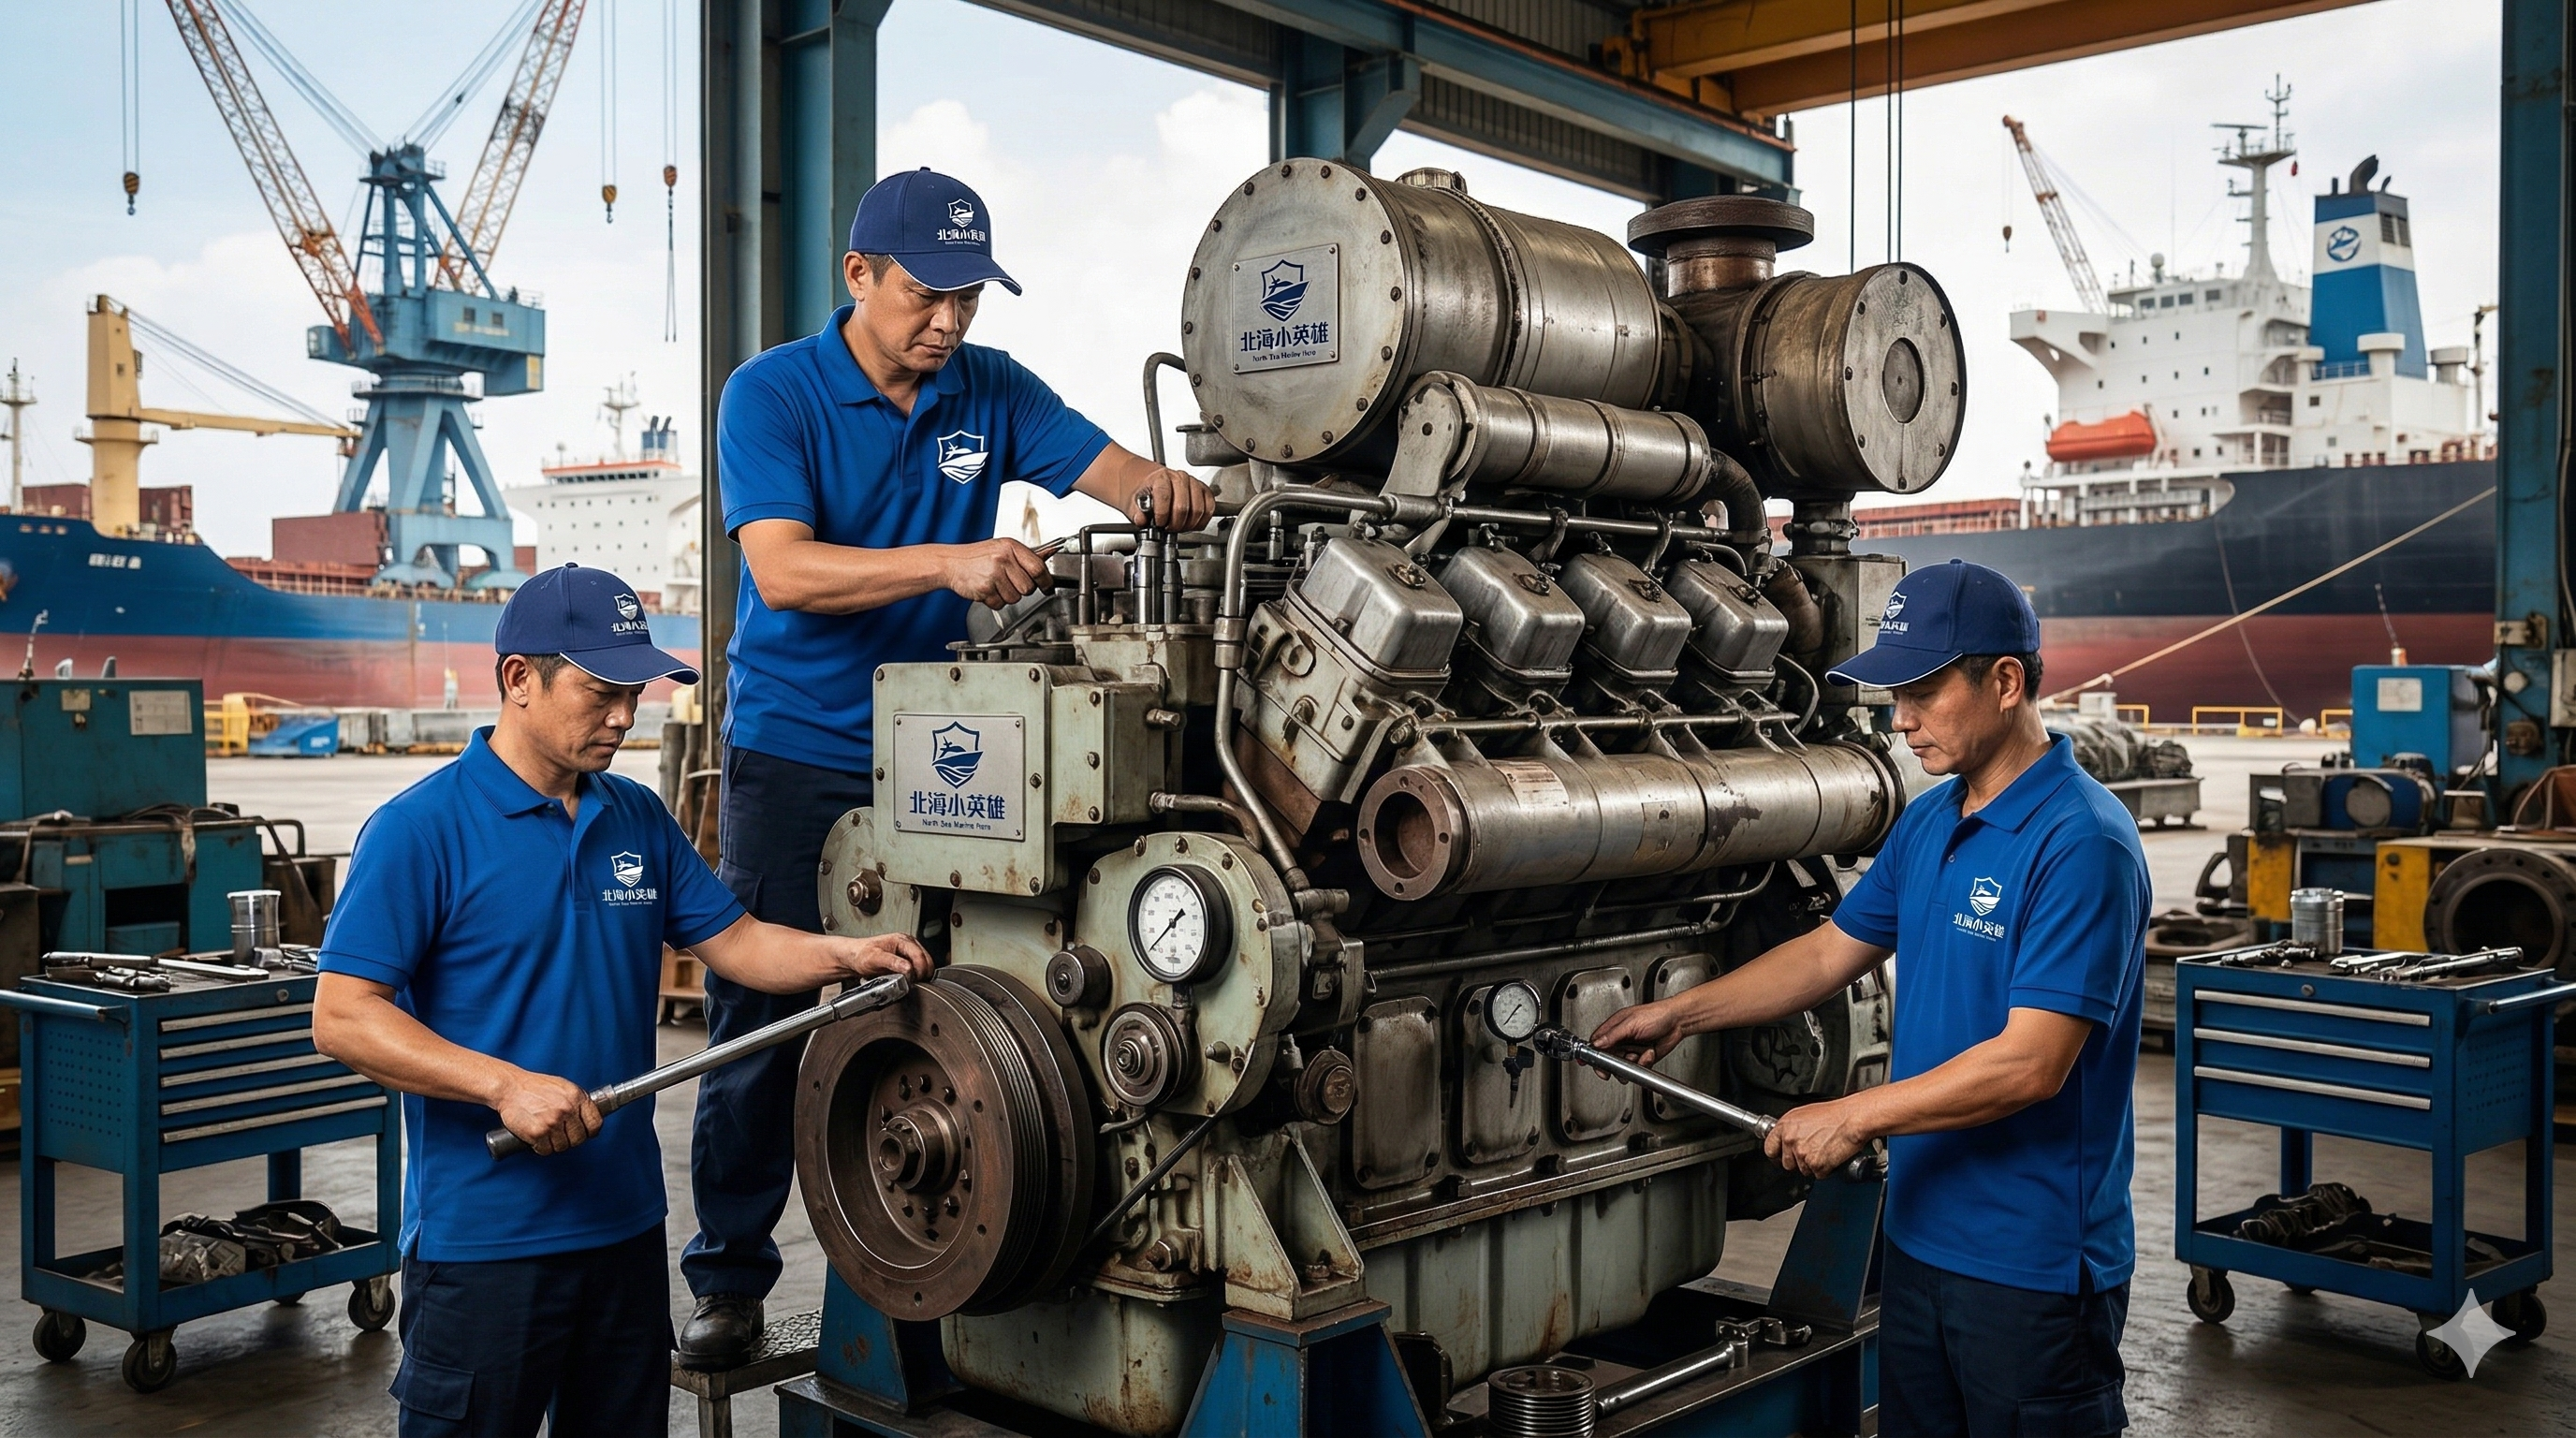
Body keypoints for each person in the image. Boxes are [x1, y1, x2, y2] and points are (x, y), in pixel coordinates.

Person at [679, 167, 1214, 1368]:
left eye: (968, 298)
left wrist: (1172, 492)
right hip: (800, 750)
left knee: (951, 994)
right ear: (858, 275)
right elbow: (783, 573)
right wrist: (948, 562)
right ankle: (728, 1275)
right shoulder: (771, 394)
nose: (948, 321)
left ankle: (935, 1250)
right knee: (762, 1021)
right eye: (926, 295)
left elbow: (1112, 473)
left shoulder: (989, 386)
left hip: (945, 757)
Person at [312, 565, 932, 1438]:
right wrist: (503, 1086)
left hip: (624, 1233)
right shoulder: (420, 830)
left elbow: (738, 942)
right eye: (601, 693)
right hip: (485, 1248)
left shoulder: (636, 816)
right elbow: (343, 1015)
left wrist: (848, 954)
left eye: (634, 693)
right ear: (518, 679)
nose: (624, 717)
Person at [1591, 559, 2148, 1438]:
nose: (1901, 720)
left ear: (2006, 682)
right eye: (1894, 696)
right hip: (1918, 1243)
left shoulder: (2083, 843)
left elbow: (2031, 1065)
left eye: (1922, 693)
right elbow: (1827, 953)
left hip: (2029, 1269)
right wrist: (1680, 1013)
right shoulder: (1932, 819)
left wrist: (1853, 1115)